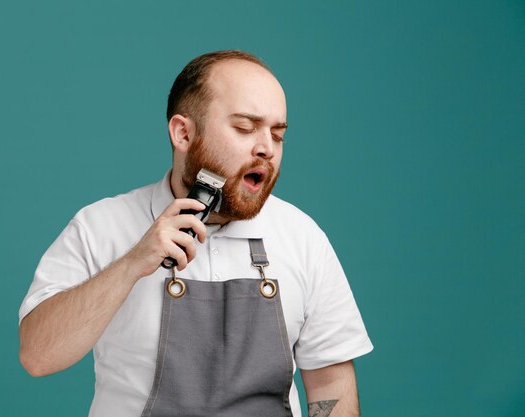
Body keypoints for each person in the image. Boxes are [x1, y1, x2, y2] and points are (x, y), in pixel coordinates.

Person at [19, 50, 373, 417]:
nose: (266, 147)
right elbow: (38, 356)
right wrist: (131, 264)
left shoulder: (303, 238)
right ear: (183, 133)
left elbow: (330, 384)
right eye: (245, 128)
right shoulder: (101, 226)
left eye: (277, 135)